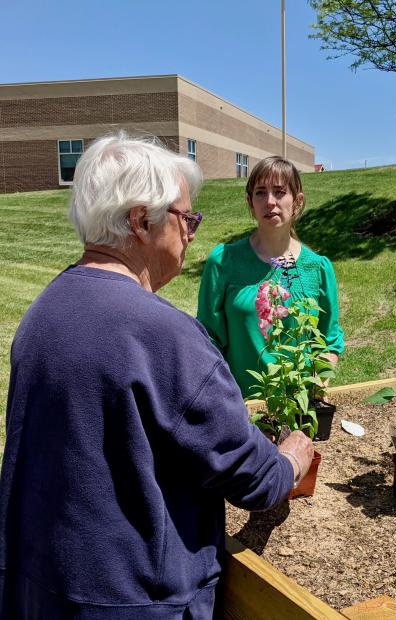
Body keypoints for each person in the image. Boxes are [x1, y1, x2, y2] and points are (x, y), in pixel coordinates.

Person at [0, 134, 313, 619]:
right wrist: (291, 459)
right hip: (134, 602)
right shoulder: (164, 336)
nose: (192, 233)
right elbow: (252, 479)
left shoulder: (45, 311)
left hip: (43, 588)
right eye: (186, 218)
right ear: (141, 221)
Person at [197, 156, 344, 398]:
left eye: (279, 192)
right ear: (250, 202)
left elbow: (330, 339)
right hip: (242, 411)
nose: (270, 202)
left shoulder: (318, 268)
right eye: (260, 193)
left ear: (297, 202)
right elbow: (207, 339)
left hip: (300, 409)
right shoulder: (224, 262)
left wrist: (321, 376)